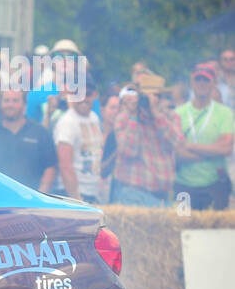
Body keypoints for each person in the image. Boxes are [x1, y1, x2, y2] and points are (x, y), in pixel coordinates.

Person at [110, 77, 183, 206]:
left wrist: (156, 115)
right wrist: (134, 116)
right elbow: (128, 151)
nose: (148, 100)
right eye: (144, 96)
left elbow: (178, 143)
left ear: (161, 98)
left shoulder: (171, 116)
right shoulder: (125, 118)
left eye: (154, 96)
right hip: (133, 193)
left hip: (163, 197)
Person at [173, 64, 233, 210]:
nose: (201, 83)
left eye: (206, 80)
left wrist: (190, 146)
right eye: (198, 79)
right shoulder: (178, 113)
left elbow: (225, 149)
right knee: (181, 227)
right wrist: (211, 152)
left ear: (213, 83)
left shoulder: (225, 113)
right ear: (192, 83)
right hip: (184, 185)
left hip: (214, 184)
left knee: (214, 229)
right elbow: (177, 152)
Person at [0, 88, 57, 191]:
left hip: (33, 199)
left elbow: (50, 166)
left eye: (15, 101)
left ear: (24, 105)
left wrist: (41, 194)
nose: (10, 105)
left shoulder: (39, 132)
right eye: (6, 101)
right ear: (1, 104)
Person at [53, 79, 104, 203]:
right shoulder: (67, 122)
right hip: (72, 194)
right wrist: (77, 199)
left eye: (87, 94)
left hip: (91, 192)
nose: (82, 98)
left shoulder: (94, 118)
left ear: (95, 95)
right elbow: (65, 166)